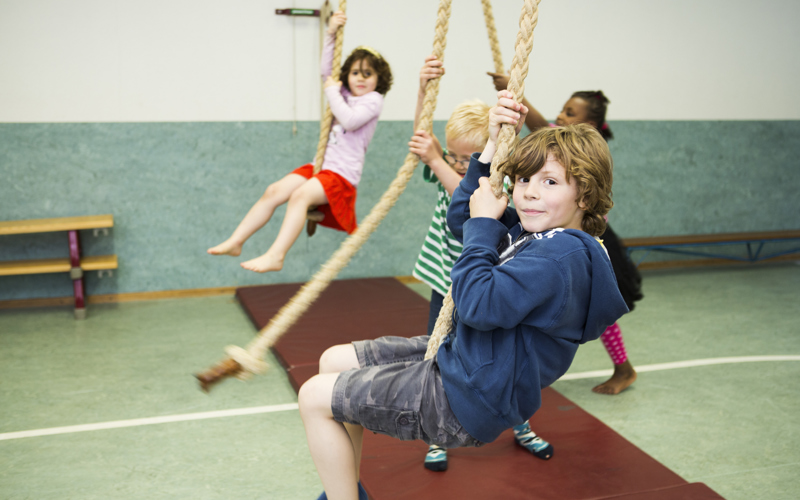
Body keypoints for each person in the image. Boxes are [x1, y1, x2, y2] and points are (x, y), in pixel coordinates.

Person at [297, 92, 628, 499]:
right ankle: (346, 489)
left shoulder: (562, 254)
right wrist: (489, 148)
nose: (530, 193)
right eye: (524, 179)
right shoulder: (537, 233)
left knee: (313, 396)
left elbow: (478, 304)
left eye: (550, 182)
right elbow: (462, 217)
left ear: (587, 194)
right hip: (461, 362)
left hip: (465, 397)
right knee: (333, 361)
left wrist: (486, 225)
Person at [409, 56, 553, 473]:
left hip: (486, 289)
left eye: (466, 158)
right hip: (445, 281)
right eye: (453, 156)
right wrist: (423, 89)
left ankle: (520, 422)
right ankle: (436, 435)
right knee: (437, 353)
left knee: (500, 360)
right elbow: (422, 136)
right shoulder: (447, 165)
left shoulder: (500, 184)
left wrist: (441, 162)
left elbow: (470, 204)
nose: (458, 164)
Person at [488, 72, 641, 395]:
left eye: (570, 114)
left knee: (598, 309)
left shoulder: (581, 156)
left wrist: (516, 96)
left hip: (588, 237)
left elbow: (541, 128)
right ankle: (622, 366)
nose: (561, 116)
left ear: (589, 125)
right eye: (563, 110)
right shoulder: (558, 154)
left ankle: (623, 368)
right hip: (561, 234)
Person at [207, 11, 393, 273]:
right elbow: (326, 71)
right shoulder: (342, 92)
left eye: (368, 73)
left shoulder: (373, 100)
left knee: (300, 196)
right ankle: (237, 240)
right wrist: (330, 34)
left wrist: (331, 91)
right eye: (354, 72)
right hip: (322, 166)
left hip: (341, 175)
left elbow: (349, 120)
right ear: (347, 76)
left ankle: (276, 255)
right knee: (273, 191)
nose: (360, 78)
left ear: (378, 79)